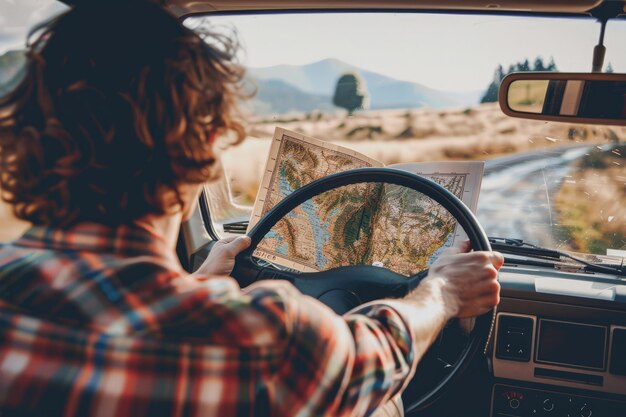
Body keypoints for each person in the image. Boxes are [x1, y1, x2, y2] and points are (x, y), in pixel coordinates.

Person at [0, 2, 503, 416]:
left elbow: (109, 328)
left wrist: (198, 281)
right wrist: (443, 291)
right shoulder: (263, 340)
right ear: (207, 147)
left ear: (26, 137)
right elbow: (374, 358)